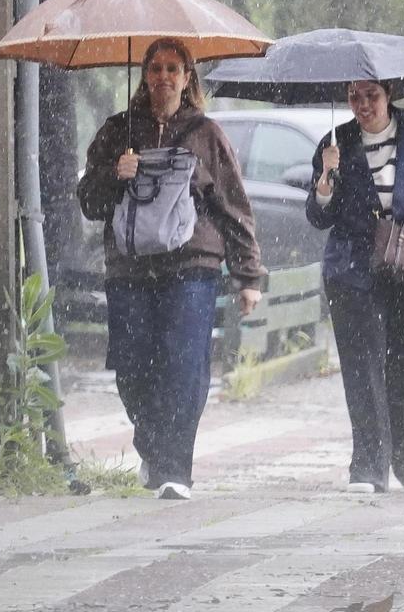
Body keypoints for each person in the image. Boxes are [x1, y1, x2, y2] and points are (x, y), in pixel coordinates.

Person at [77, 37, 265, 501]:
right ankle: (153, 446)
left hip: (192, 265)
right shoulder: (116, 131)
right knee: (133, 366)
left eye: (173, 70)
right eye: (156, 68)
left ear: (187, 79)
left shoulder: (207, 135)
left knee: (185, 364)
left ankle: (175, 466)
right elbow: (89, 203)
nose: (164, 77)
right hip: (130, 268)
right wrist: (112, 175)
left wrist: (247, 275)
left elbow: (234, 208)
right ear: (144, 75)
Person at [305, 80, 404, 493]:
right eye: (354, 97)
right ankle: (370, 467)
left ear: (388, 94)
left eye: (371, 95)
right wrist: (326, 179)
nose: (362, 105)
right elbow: (319, 217)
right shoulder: (334, 144)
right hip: (354, 273)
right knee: (362, 370)